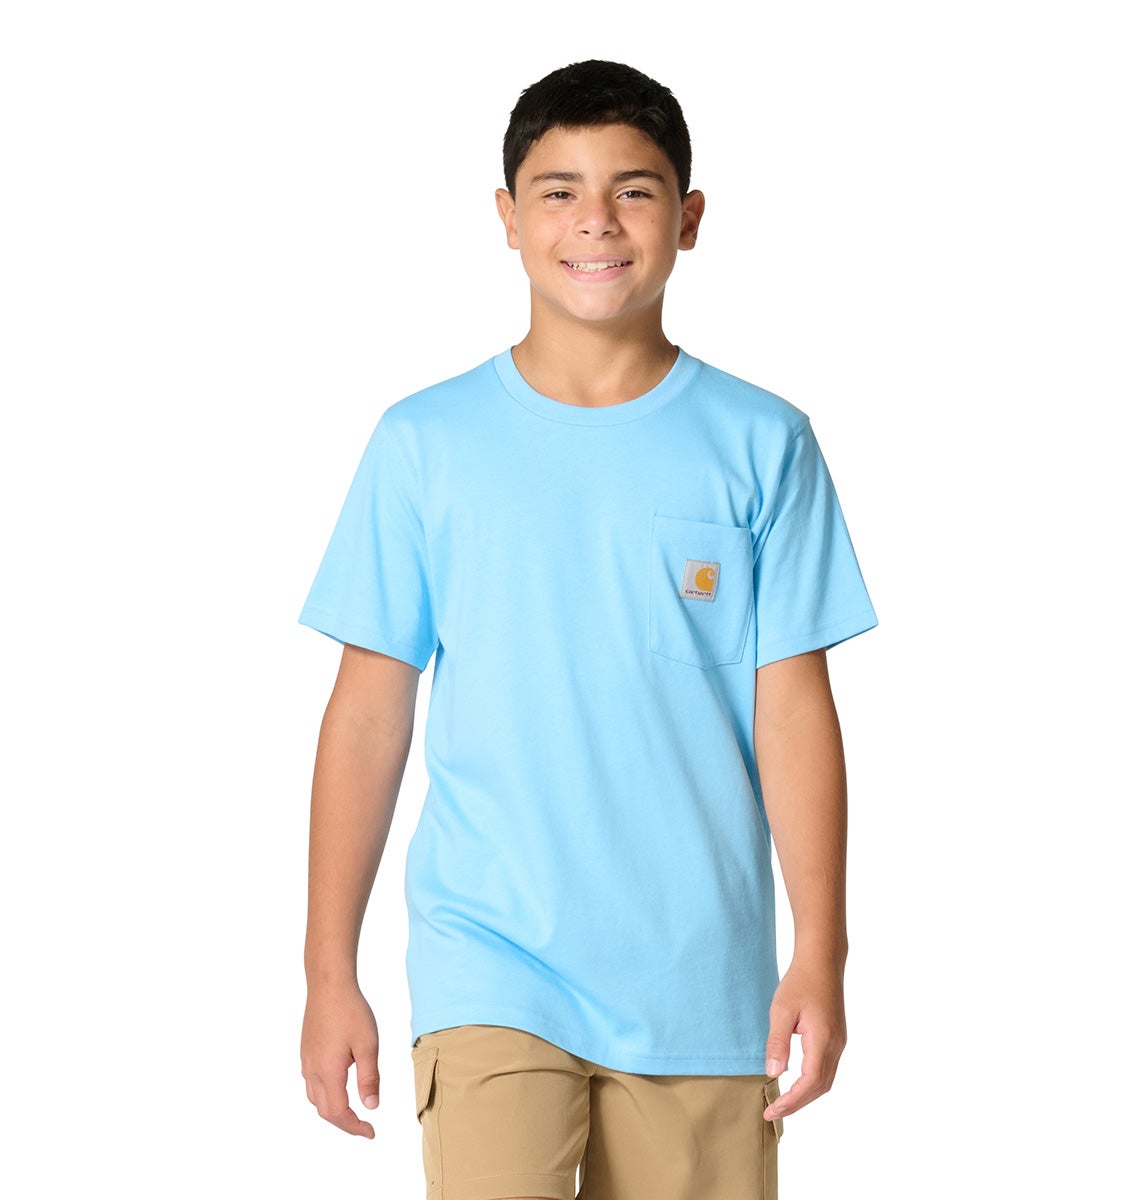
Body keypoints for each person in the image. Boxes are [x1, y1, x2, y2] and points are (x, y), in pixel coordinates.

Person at [298, 59, 877, 1200]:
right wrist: (328, 970)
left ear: (689, 219)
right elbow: (367, 715)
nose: (596, 221)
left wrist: (823, 950)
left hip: (701, 981)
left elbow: (794, 712)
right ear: (508, 218)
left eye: (635, 190)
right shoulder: (425, 445)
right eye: (558, 191)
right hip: (489, 963)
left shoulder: (765, 443)